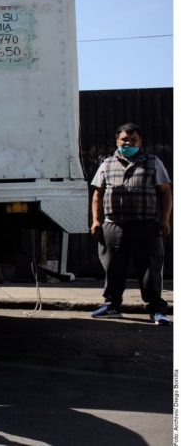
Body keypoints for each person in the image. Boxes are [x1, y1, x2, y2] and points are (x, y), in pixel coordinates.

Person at [90, 122, 172, 325]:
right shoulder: (107, 163)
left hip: (146, 225)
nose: (128, 143)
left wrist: (165, 220)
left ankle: (156, 310)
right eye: (124, 140)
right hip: (114, 225)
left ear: (140, 141)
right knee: (114, 267)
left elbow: (166, 192)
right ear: (117, 141)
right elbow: (97, 194)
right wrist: (96, 220)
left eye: (133, 139)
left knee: (150, 268)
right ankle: (112, 305)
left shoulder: (153, 162)